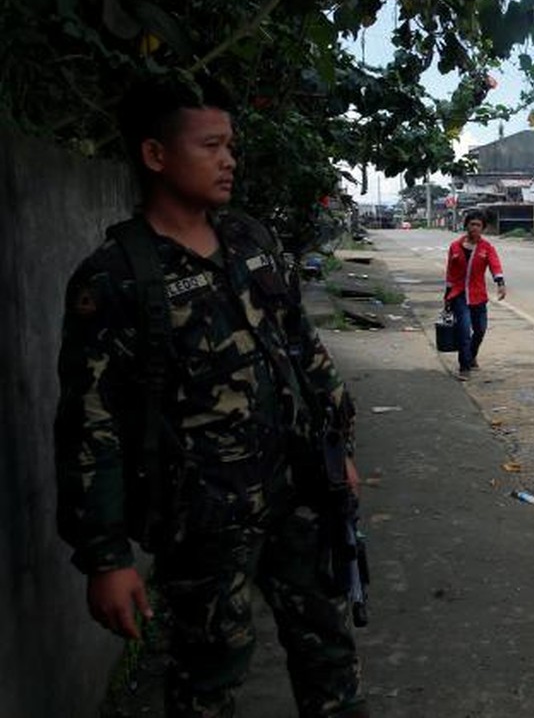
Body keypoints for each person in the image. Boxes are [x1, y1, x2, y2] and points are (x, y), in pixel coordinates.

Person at [54, 75, 366, 717]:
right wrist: (107, 558)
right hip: (201, 519)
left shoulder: (250, 241)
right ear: (155, 155)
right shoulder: (115, 278)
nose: (228, 160)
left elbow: (302, 348)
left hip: (298, 492)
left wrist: (338, 448)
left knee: (331, 655)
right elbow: (91, 427)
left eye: (232, 146)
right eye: (211, 145)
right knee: (207, 677)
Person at [443, 209, 506, 379]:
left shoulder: (486, 248)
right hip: (459, 294)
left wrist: (500, 283)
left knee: (480, 330)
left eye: (478, 225)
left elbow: (495, 265)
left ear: (483, 228)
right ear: (466, 226)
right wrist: (447, 298)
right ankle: (464, 367)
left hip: (478, 295)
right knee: (463, 330)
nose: (475, 228)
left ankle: (471, 356)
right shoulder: (455, 247)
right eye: (472, 224)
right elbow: (450, 272)